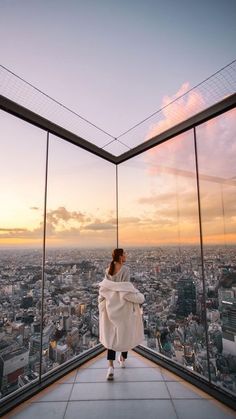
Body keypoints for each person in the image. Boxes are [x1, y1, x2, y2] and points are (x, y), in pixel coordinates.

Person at [98, 248, 145, 380]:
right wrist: (139, 296)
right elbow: (126, 290)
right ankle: (123, 359)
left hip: (110, 307)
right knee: (125, 334)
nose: (126, 256)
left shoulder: (108, 270)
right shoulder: (125, 270)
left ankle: (111, 367)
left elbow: (105, 288)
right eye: (124, 254)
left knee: (111, 338)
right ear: (120, 256)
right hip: (123, 307)